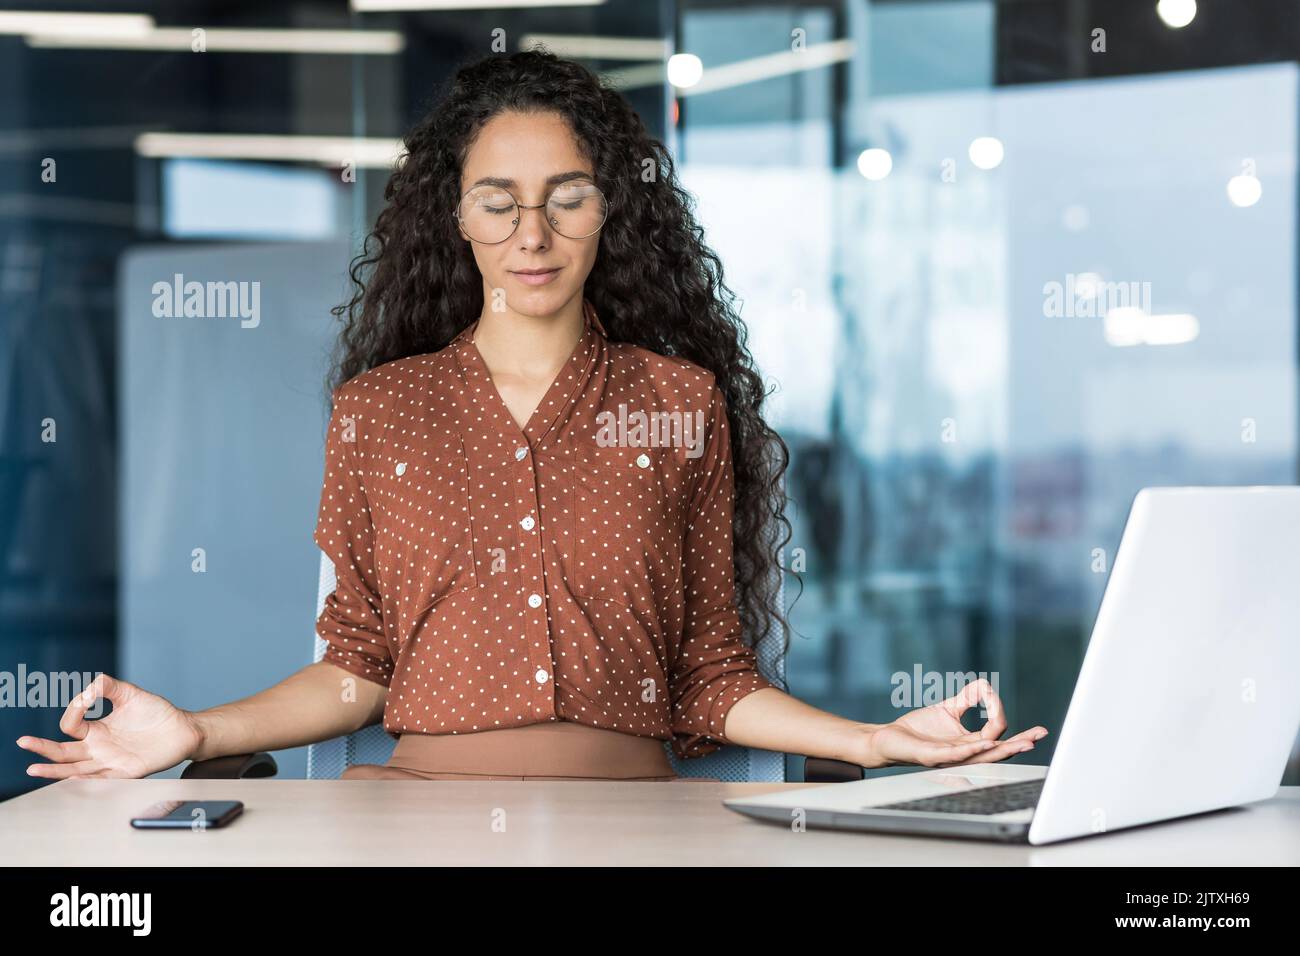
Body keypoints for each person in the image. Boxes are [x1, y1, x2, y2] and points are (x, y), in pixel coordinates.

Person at [17, 49, 1046, 783]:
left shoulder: (678, 403)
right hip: (414, 822)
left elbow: (707, 675)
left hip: (639, 828)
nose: (533, 232)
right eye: (497, 199)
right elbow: (356, 665)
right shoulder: (378, 411)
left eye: (567, 194)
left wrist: (872, 741)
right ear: (456, 215)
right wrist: (194, 729)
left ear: (610, 209)